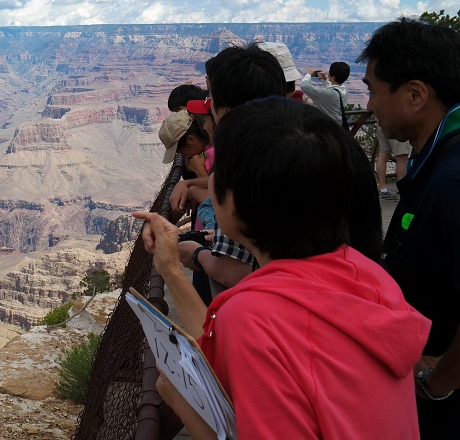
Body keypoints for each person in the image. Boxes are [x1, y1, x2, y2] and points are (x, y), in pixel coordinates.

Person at [135, 97, 430, 439]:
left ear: (235, 203)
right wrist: (171, 268)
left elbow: (257, 332)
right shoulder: (368, 273)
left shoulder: (252, 317)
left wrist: (179, 399)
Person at [358, 17, 460, 437]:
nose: (368, 105)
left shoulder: (453, 181)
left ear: (416, 94)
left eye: (373, 90)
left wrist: (438, 385)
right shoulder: (435, 159)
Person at [174, 45, 286, 291]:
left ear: (224, 111)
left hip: (259, 308)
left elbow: (234, 272)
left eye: (211, 99)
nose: (205, 121)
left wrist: (196, 255)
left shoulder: (240, 170)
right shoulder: (312, 151)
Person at [300, 61, 350, 126]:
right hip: (337, 126)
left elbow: (304, 86)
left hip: (325, 127)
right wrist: (326, 79)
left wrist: (308, 74)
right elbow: (332, 90)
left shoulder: (331, 94)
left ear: (333, 77)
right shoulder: (344, 90)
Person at [376, 131, 412, 200]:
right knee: (402, 155)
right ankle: (402, 191)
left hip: (381, 121)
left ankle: (382, 189)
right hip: (398, 122)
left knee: (383, 153)